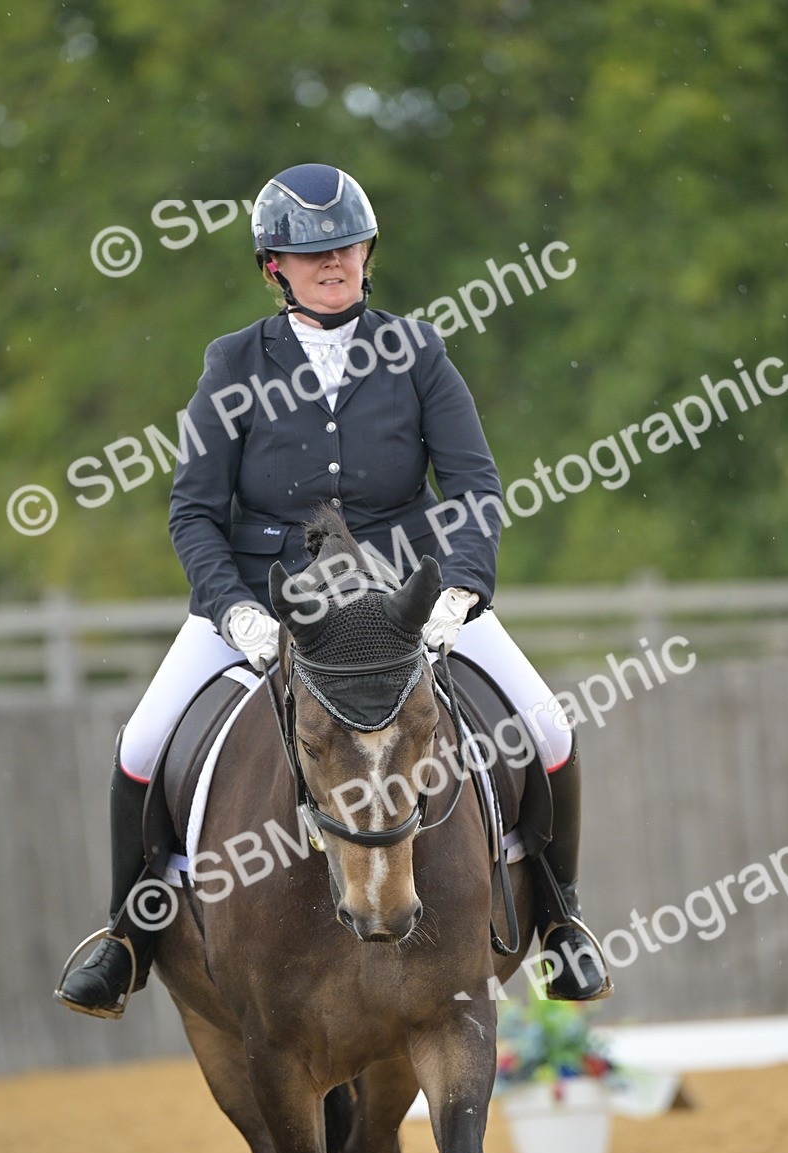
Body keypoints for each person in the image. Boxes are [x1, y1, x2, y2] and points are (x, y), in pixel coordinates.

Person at [55, 163, 611, 1018]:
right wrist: (236, 611)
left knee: (548, 722)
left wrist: (459, 592)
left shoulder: (419, 351)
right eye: (311, 255)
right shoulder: (233, 361)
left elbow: (474, 487)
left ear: (368, 254)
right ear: (272, 265)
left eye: (347, 249)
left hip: (404, 599)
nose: (334, 265)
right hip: (266, 602)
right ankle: (127, 932)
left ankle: (563, 919)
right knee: (141, 742)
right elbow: (194, 511)